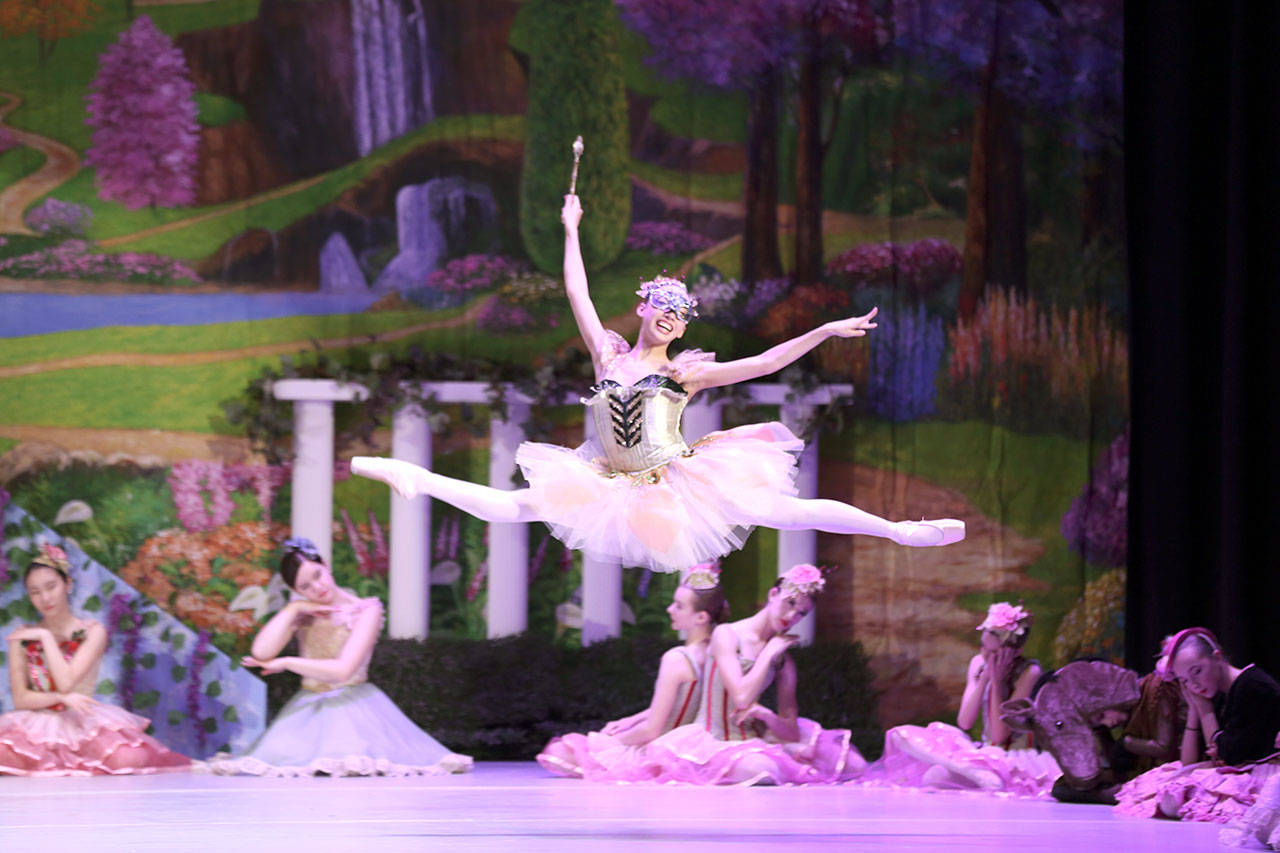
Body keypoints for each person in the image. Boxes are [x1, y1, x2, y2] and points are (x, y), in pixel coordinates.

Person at [351, 193, 963, 573]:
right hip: (602, 474)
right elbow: (576, 292)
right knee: (514, 510)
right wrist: (570, 230)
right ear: (644, 309)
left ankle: (896, 531)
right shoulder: (608, 356)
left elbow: (767, 364)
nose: (671, 315)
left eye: (680, 311)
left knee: (783, 512)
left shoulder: (683, 371)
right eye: (662, 305)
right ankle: (416, 477)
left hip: (672, 477)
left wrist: (824, 331)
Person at [204, 538, 471, 777]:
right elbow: (261, 652)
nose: (317, 588)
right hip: (307, 711)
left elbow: (343, 670)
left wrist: (286, 663)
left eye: (318, 575)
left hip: (356, 708)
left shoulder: (365, 609)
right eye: (305, 587)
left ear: (325, 565)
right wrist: (294, 608)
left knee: (352, 767)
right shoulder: (303, 610)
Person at [630, 564, 866, 785]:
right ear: (773, 594)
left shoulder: (784, 659)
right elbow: (741, 697)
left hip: (756, 740)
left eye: (801, 613)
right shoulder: (728, 634)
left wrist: (766, 715)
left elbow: (791, 732)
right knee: (764, 770)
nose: (792, 616)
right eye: (790, 602)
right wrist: (768, 654)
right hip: (714, 740)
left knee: (854, 764)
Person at [0, 544, 190, 776]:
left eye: (51, 587)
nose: (45, 598)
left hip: (82, 723)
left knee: (126, 758)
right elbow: (21, 699)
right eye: (35, 592)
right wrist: (60, 698)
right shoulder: (23, 636)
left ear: (68, 585)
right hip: (38, 722)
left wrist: (46, 637)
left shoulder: (92, 631)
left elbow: (67, 681)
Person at [537, 562, 727, 779]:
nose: (670, 610)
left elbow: (652, 730)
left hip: (659, 750)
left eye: (679, 606)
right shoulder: (713, 653)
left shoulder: (676, 658)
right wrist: (630, 720)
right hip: (685, 747)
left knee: (560, 750)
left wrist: (608, 743)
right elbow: (681, 703)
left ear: (701, 617)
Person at [858, 601, 1059, 797]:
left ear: (1013, 652)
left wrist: (997, 683)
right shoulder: (978, 663)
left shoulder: (1029, 672)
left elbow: (999, 736)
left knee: (940, 777)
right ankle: (970, 770)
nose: (986, 655)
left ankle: (981, 774)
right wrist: (984, 680)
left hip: (1010, 757)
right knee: (902, 739)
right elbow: (965, 722)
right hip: (983, 752)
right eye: (983, 647)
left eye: (995, 652)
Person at [1115, 627, 1280, 824]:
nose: (1194, 684)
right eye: (1185, 680)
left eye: (1197, 672)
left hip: (1265, 770)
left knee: (1179, 796)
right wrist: (1195, 710)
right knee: (1168, 783)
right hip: (1238, 766)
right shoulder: (1216, 693)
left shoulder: (1253, 686)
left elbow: (1227, 756)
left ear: (1217, 657)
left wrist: (1206, 712)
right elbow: (1189, 761)